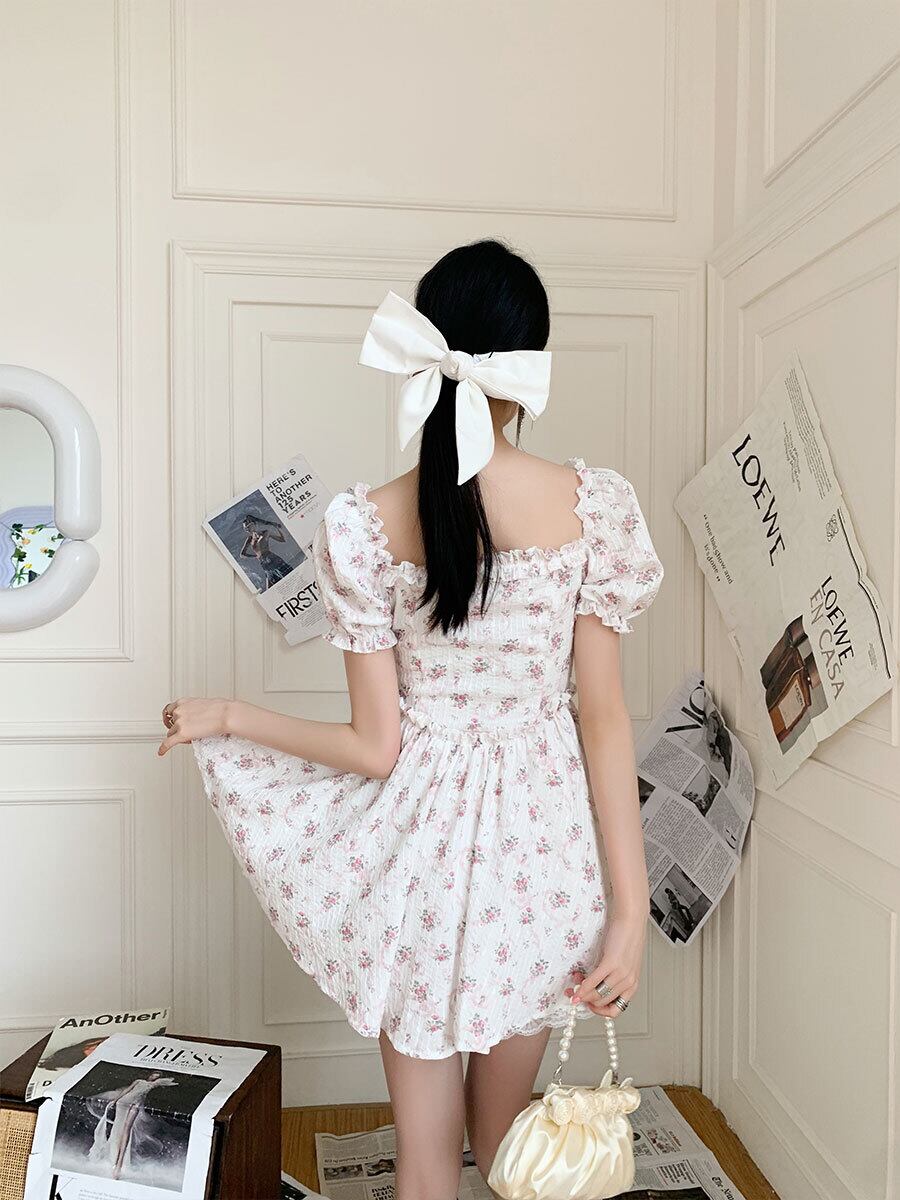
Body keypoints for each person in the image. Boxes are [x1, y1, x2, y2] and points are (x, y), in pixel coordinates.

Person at [158, 239, 664, 1199]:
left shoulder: (364, 524)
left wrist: (232, 716)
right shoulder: (593, 509)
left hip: (415, 863)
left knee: (425, 1163)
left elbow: (374, 747)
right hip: (541, 859)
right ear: (528, 367)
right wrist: (630, 915)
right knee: (515, 1155)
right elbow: (603, 719)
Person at [239, 513, 293, 589]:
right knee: (271, 586)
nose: (247, 529)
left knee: (288, 576)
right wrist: (255, 556)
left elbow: (282, 539)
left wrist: (278, 528)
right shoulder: (250, 539)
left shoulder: (265, 533)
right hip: (264, 563)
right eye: (245, 528)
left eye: (248, 526)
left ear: (253, 524)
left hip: (272, 559)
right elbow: (242, 554)